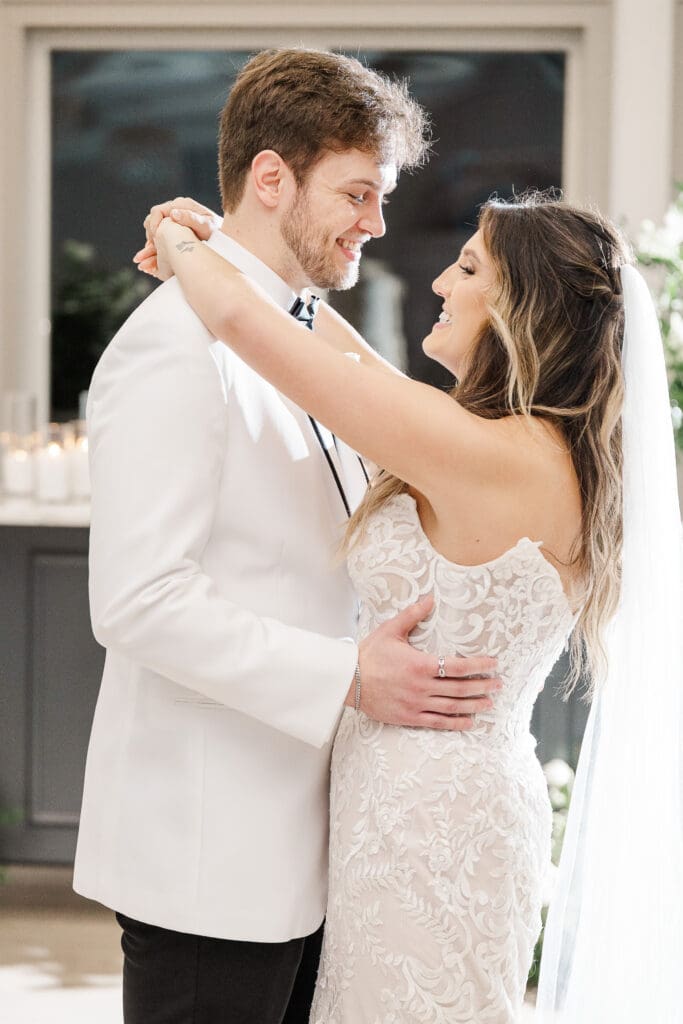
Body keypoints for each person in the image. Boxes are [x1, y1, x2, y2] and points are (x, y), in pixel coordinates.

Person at [138, 189, 650, 1022]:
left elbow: (249, 330)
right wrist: (239, 254)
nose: (442, 282)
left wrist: (175, 233)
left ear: (522, 308)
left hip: (432, 832)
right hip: (419, 805)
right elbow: (348, 362)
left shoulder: (493, 455)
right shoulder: (514, 442)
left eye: (469, 266)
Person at [73, 48, 502, 1024]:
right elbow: (139, 602)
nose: (377, 223)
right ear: (271, 179)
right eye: (357, 192)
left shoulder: (296, 336)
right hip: (208, 855)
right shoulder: (172, 346)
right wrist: (348, 675)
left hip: (310, 844)